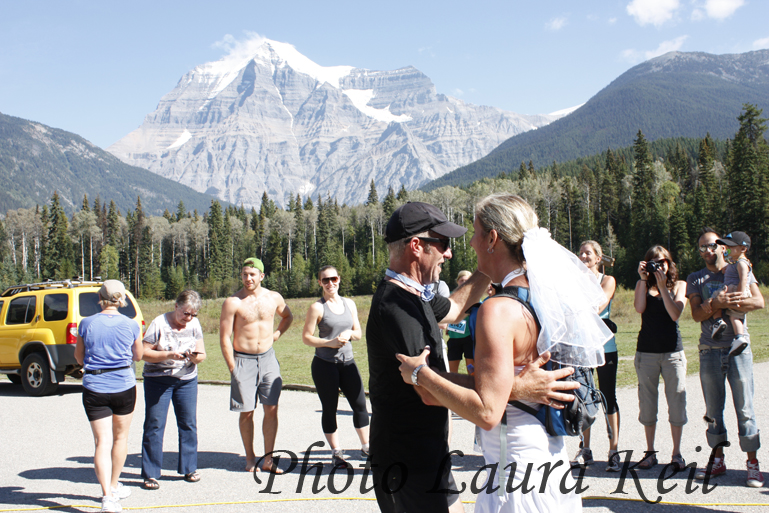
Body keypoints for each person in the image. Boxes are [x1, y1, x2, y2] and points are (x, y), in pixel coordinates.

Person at [395, 193, 609, 512]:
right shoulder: (547, 297)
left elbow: (487, 410)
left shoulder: (497, 310)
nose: (471, 244)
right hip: (551, 462)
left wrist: (421, 374)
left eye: (477, 233)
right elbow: (499, 383)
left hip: (516, 476)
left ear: (493, 238)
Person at [686, 228, 765, 487]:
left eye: (711, 246)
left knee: (745, 408)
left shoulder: (738, 267)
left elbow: (758, 302)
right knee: (713, 411)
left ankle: (752, 465)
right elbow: (697, 315)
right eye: (702, 248)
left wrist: (729, 303)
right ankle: (717, 460)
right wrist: (715, 303)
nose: (707, 251)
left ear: (722, 247)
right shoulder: (696, 278)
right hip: (709, 350)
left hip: (737, 348)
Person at [74, 280, 143, 513]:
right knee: (120, 438)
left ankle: (106, 496)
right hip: (123, 385)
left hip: (95, 386)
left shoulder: (86, 323)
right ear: (122, 298)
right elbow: (138, 356)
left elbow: (79, 357)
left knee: (101, 442)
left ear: (100, 297)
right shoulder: (132, 324)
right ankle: (113, 486)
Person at [220, 257, 293, 473]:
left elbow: (288, 316)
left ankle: (269, 459)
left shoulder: (274, 298)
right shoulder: (233, 302)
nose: (248, 278)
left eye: (252, 274)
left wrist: (277, 333)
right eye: (244, 274)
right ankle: (250, 458)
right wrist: (233, 367)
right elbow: (224, 337)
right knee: (247, 412)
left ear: (261, 276)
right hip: (243, 360)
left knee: (271, 408)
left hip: (268, 358)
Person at [301, 265, 370, 469]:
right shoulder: (317, 307)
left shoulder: (350, 304)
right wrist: (328, 343)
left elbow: (358, 333)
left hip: (347, 363)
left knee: (360, 406)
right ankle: (336, 453)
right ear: (320, 283)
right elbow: (306, 337)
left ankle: (367, 447)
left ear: (339, 279)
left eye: (333, 279)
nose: (330, 283)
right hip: (325, 365)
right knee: (330, 409)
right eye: (325, 280)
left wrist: (349, 334)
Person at [140, 290, 206, 490]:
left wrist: (195, 357)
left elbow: (202, 354)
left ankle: (189, 468)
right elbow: (143, 353)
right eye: (185, 313)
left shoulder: (194, 324)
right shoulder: (159, 323)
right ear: (176, 306)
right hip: (158, 380)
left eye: (193, 314)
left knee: (188, 424)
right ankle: (151, 474)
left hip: (186, 380)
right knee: (155, 425)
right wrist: (169, 355)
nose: (188, 318)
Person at [633, 245, 688, 471]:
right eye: (654, 262)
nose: (659, 265)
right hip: (646, 352)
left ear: (669, 263)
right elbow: (639, 308)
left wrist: (664, 286)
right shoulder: (642, 285)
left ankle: (676, 453)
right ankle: (650, 452)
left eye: (662, 261)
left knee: (676, 403)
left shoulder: (680, 285)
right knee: (648, 404)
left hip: (672, 353)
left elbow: (675, 314)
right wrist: (644, 280)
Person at [571, 240, 621, 472]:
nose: (583, 256)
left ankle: (614, 450)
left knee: (608, 397)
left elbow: (599, 304)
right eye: (580, 253)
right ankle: (585, 449)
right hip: (581, 348)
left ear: (598, 258)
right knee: (584, 398)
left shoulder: (607, 280)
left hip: (605, 348)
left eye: (588, 253)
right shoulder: (574, 281)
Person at [710, 231, 754, 356]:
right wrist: (726, 268)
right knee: (734, 316)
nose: (727, 249)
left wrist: (740, 294)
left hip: (735, 290)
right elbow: (731, 270)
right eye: (726, 247)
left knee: (715, 297)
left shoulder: (741, 263)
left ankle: (718, 321)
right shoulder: (734, 262)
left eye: (731, 247)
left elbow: (744, 279)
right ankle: (739, 337)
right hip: (734, 289)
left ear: (743, 248)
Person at [446, 270, 474, 374]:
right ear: (457, 281)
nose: (464, 282)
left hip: (469, 337)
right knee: (452, 371)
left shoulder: (474, 296)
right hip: (454, 338)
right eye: (462, 280)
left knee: (471, 370)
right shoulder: (451, 295)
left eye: (467, 280)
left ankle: (471, 387)